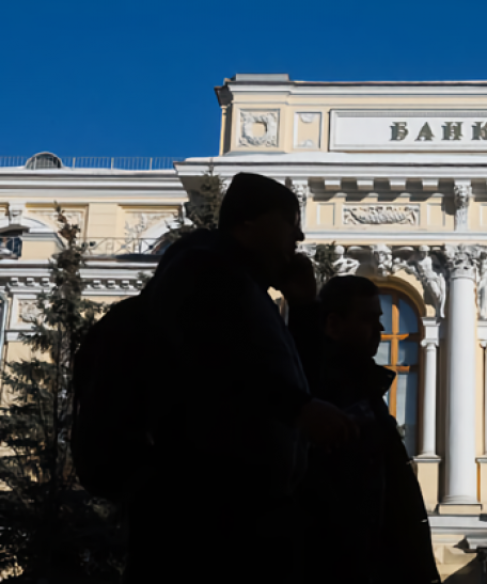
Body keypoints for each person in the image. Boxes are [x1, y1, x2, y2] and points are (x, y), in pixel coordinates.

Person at [123, 172, 359, 584]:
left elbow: (297, 381)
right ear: (248, 221)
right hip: (205, 512)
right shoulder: (202, 272)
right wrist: (298, 408)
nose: (299, 236)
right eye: (289, 221)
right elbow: (213, 365)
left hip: (251, 507)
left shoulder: (249, 292)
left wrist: (305, 308)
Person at [297, 275, 441, 584]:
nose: (381, 329)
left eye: (379, 319)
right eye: (367, 319)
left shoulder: (362, 390)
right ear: (333, 324)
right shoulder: (331, 395)